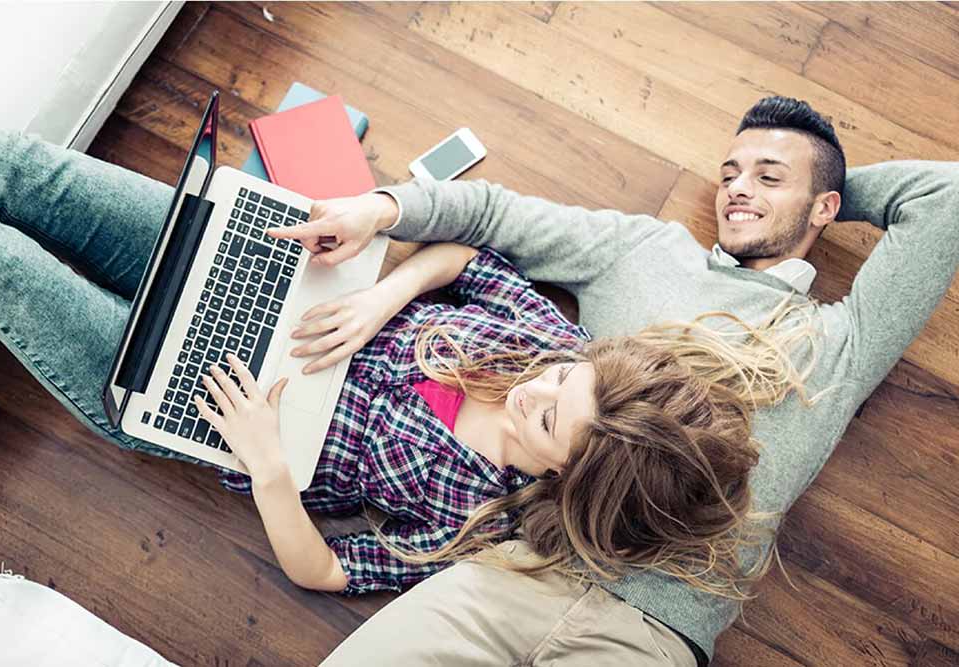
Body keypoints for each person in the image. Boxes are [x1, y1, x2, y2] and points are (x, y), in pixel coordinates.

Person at [0, 111, 815, 622]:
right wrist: (385, 292)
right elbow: (461, 259)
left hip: (201, 400)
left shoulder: (481, 524)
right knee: (20, 171)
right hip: (256, 269)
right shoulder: (554, 351)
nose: (538, 386)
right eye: (565, 377)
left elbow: (326, 570)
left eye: (550, 416)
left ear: (568, 479)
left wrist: (266, 466)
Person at [262, 96, 959, 667]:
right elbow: (496, 216)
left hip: (650, 635)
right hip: (520, 565)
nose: (740, 188)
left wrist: (823, 185)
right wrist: (383, 209)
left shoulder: (836, 343)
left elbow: (946, 197)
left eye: (768, 177)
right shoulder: (645, 251)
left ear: (824, 206)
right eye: (731, 172)